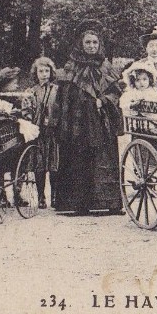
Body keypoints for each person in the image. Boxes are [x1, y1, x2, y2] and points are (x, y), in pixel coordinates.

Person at [54, 22, 123, 215]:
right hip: (77, 120)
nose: (91, 46)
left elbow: (116, 93)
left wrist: (103, 100)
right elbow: (62, 93)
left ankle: (107, 203)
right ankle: (78, 205)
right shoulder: (71, 65)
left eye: (95, 42)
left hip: (100, 120)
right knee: (77, 160)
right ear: (81, 44)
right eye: (88, 42)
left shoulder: (105, 66)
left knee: (102, 159)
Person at [27, 57, 60, 210]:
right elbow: (26, 111)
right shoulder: (32, 91)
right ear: (36, 73)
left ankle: (54, 196)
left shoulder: (57, 90)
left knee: (54, 166)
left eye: (47, 71)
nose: (44, 74)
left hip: (53, 131)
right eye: (41, 71)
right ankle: (41, 196)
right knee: (39, 166)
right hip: (38, 132)